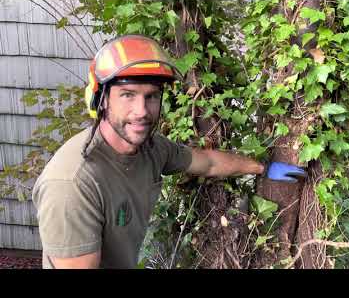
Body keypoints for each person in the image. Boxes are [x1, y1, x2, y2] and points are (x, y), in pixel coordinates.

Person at [32, 34, 305, 269]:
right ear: (101, 100)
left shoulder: (151, 148)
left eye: (151, 96)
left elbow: (208, 163)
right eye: (127, 95)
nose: (141, 111)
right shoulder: (72, 184)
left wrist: (262, 168)